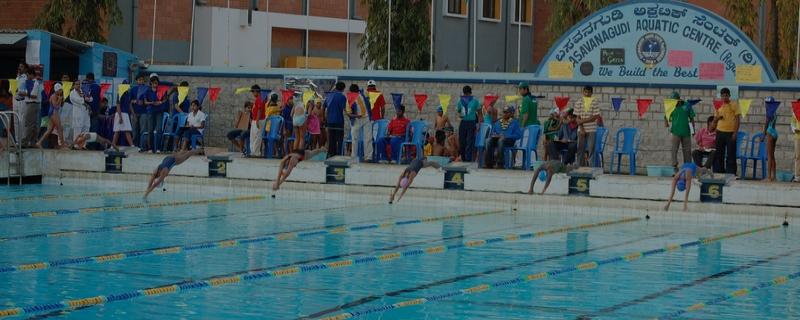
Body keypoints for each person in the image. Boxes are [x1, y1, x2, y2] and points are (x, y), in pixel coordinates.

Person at [712, 88, 741, 174]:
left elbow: (737, 119)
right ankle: (719, 172)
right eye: (723, 96)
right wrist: (717, 118)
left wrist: (735, 132)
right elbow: (714, 120)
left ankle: (731, 173)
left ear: (729, 96)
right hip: (720, 132)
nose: (724, 97)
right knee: (719, 153)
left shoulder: (734, 104)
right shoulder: (718, 105)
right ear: (720, 96)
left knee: (731, 154)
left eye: (726, 95)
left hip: (730, 132)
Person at [664, 91, 695, 170]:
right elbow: (666, 116)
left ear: (678, 99)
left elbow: (691, 118)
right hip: (675, 132)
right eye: (672, 101)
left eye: (674, 100)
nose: (673, 102)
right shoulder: (671, 107)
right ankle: (675, 167)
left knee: (687, 151)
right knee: (674, 150)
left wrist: (693, 130)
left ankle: (687, 168)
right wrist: (666, 123)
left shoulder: (687, 105)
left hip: (686, 132)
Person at [575, 86, 601, 166]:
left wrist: (582, 121)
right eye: (585, 92)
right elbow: (577, 117)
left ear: (591, 93)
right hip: (581, 129)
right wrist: (582, 128)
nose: (587, 94)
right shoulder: (578, 102)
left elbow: (595, 116)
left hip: (592, 129)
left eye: (589, 92)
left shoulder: (595, 102)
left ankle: (591, 167)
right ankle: (579, 167)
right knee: (580, 149)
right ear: (583, 92)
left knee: (591, 149)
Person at [346, 84, 372, 161]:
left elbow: (369, 104)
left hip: (367, 118)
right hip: (357, 120)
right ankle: (354, 157)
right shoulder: (350, 98)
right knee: (355, 138)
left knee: (368, 138)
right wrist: (356, 116)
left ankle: (368, 157)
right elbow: (348, 113)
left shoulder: (363, 94)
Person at [35, 83, 66, 148]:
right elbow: (55, 106)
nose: (61, 91)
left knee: (49, 130)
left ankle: (39, 142)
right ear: (57, 90)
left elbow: (60, 106)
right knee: (60, 128)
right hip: (53, 113)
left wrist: (61, 100)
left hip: (53, 113)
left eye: (61, 90)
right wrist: (59, 100)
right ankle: (63, 145)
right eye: (60, 90)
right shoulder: (53, 96)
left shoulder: (58, 95)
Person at [457, 85, 481, 162]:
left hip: (472, 123)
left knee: (470, 141)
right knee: (462, 141)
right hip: (463, 122)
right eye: (465, 94)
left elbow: (480, 114)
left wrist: (479, 125)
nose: (466, 95)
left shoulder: (475, 101)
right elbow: (459, 112)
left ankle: (468, 159)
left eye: (467, 94)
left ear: (470, 93)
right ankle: (463, 158)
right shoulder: (460, 101)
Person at [18, 68, 41, 147]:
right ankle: (33, 142)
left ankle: (24, 142)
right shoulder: (28, 83)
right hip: (30, 103)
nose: (27, 77)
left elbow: (34, 96)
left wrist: (24, 94)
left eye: (27, 75)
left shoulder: (35, 83)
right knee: (34, 125)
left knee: (29, 124)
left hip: (32, 104)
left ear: (32, 74)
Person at [325, 82, 347, 158]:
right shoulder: (342, 97)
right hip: (339, 120)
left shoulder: (328, 96)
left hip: (330, 121)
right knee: (340, 139)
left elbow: (323, 107)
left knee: (331, 138)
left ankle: (331, 154)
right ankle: (339, 154)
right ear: (343, 89)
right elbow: (345, 109)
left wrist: (325, 119)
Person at [111, 80, 134, 148]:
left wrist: (133, 114)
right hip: (120, 113)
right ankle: (131, 145)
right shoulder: (120, 94)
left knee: (126, 130)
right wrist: (120, 117)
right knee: (118, 131)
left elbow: (129, 104)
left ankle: (113, 145)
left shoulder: (127, 94)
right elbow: (118, 105)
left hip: (126, 114)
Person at [70, 79, 92, 148]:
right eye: (76, 84)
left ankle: (83, 145)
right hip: (78, 114)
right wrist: (85, 99)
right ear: (73, 86)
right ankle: (76, 145)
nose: (78, 85)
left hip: (85, 113)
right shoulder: (72, 93)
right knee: (78, 129)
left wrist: (85, 96)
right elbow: (79, 100)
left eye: (79, 84)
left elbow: (91, 99)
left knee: (86, 128)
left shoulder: (83, 91)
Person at [763, 96, 779, 181]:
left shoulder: (769, 112)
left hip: (769, 132)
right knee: (772, 156)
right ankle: (774, 176)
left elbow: (766, 124)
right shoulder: (775, 112)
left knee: (769, 156)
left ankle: (769, 177)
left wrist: (763, 135)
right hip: (775, 133)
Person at [248, 85, 266, 156]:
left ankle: (256, 152)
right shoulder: (257, 99)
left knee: (257, 136)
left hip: (259, 120)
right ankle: (252, 151)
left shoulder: (260, 98)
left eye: (253, 91)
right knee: (252, 136)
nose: (252, 93)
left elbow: (260, 109)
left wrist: (257, 120)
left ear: (256, 91)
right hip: (254, 120)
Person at [130, 75, 147, 148]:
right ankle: (134, 145)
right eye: (139, 80)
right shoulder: (133, 89)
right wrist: (134, 101)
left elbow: (149, 100)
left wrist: (143, 102)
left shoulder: (147, 89)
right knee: (134, 131)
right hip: (134, 112)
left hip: (143, 112)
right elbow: (129, 102)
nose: (141, 81)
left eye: (142, 80)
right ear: (136, 81)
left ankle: (142, 146)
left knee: (143, 130)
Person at [792, 104, 800, 182]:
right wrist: (795, 130)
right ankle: (797, 177)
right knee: (797, 156)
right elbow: (792, 123)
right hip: (797, 136)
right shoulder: (795, 112)